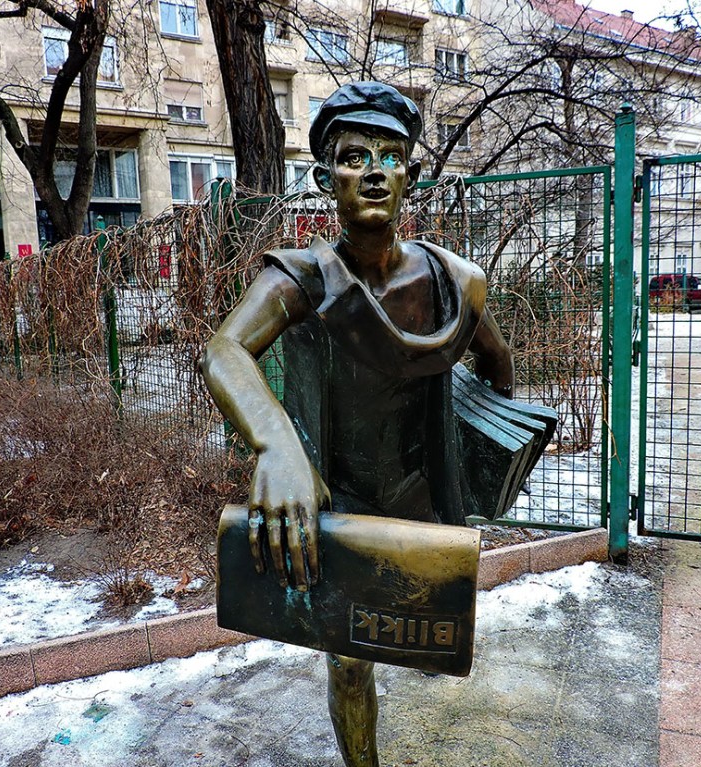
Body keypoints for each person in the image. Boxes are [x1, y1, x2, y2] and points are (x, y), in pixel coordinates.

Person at [201, 81, 514, 767]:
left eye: (390, 156)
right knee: (348, 661)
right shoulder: (304, 278)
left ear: (411, 175)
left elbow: (497, 359)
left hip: (418, 491)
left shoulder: (451, 281)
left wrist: (488, 451)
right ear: (324, 179)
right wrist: (277, 445)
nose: (374, 170)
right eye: (353, 156)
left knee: (423, 622)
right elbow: (224, 350)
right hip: (338, 493)